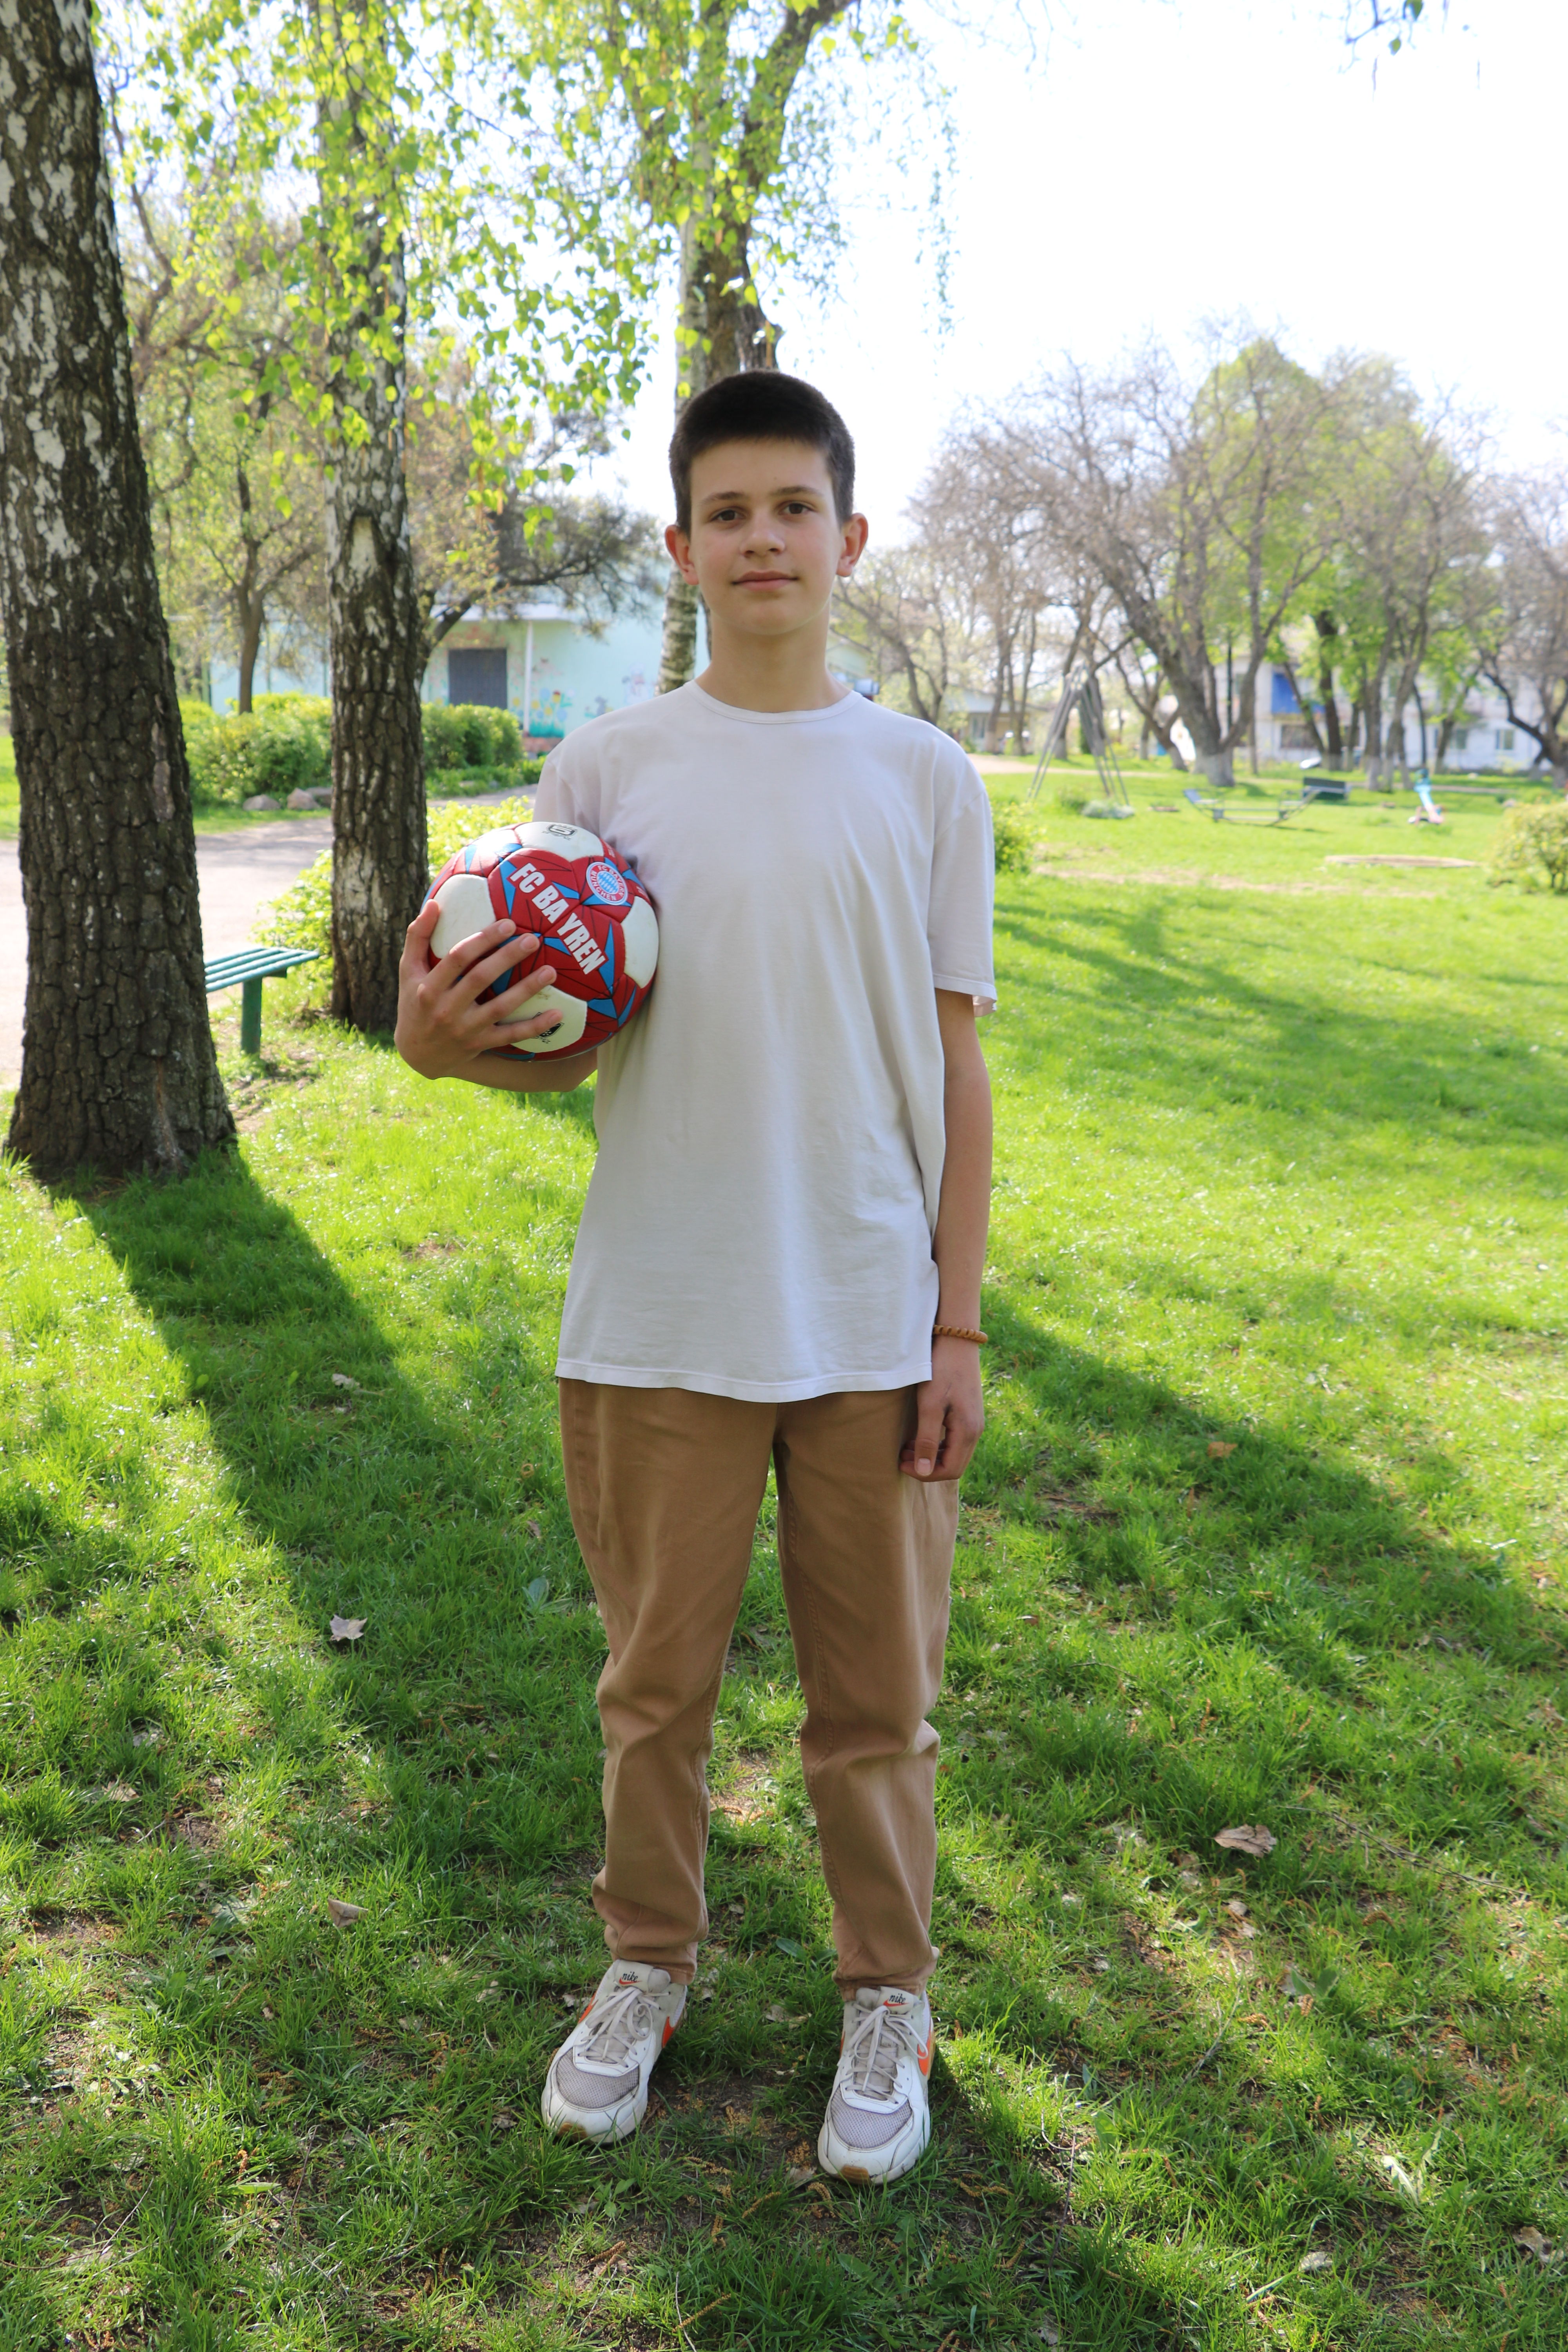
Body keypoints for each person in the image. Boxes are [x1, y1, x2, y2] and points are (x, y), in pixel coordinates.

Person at [394, 370, 995, 2186]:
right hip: (659, 1308)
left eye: (792, 508)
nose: (761, 540)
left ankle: (886, 1995)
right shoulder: (606, 773)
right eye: (726, 513)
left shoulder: (923, 778)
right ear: (678, 547)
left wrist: (957, 1321)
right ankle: (645, 1966)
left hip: (869, 1313)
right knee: (652, 1688)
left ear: (849, 538)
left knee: (874, 1705)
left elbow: (956, 1063)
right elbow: (560, 1043)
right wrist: (434, 1047)